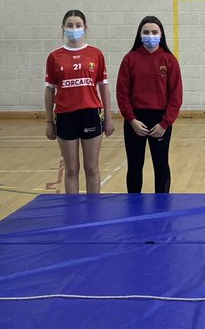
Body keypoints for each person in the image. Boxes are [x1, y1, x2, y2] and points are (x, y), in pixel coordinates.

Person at [44, 10, 115, 193]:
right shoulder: (55, 56)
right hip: (65, 116)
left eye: (78, 25)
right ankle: (73, 213)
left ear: (85, 28)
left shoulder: (95, 54)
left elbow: (104, 87)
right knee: (72, 169)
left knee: (91, 167)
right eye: (69, 25)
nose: (74, 29)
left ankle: (94, 210)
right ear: (63, 28)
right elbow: (49, 89)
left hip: (90, 114)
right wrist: (49, 122)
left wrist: (108, 117)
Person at [116, 16, 183, 194]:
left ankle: (162, 205)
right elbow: (122, 94)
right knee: (135, 165)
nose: (150, 35)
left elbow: (176, 96)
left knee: (161, 164)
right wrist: (131, 120)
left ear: (161, 35)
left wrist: (165, 123)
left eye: (154, 32)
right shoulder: (130, 59)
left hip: (160, 121)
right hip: (135, 120)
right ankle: (134, 205)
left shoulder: (169, 60)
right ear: (140, 34)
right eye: (146, 32)